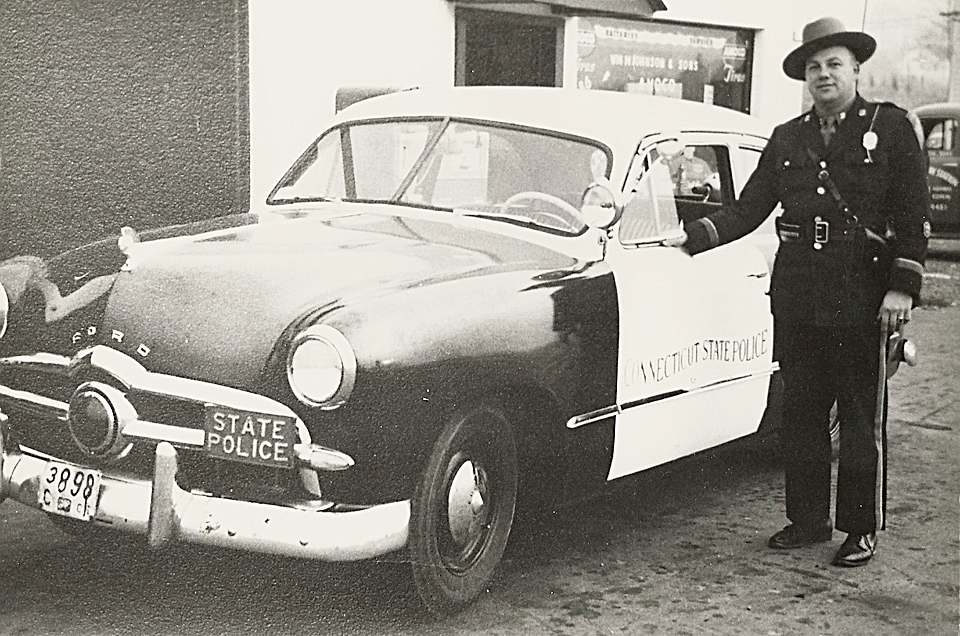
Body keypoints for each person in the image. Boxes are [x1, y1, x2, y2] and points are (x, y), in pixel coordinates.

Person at [681, 17, 929, 567]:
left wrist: (902, 289)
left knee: (861, 420)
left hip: (865, 298)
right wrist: (691, 237)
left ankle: (860, 529)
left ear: (856, 69)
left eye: (833, 64)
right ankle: (808, 520)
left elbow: (914, 216)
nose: (823, 74)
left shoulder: (889, 129)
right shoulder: (787, 138)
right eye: (813, 67)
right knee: (803, 413)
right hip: (798, 297)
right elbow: (750, 208)